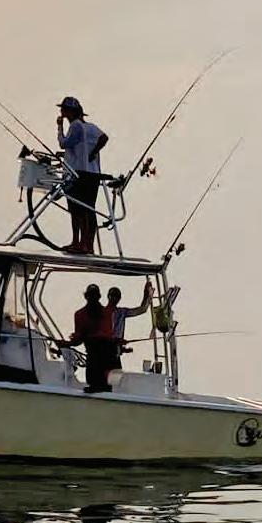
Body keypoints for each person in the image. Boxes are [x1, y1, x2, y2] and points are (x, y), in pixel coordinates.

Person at [56, 96, 108, 254]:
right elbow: (103, 138)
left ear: (69, 112)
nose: (62, 111)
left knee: (77, 209)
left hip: (78, 174)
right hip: (93, 174)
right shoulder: (91, 127)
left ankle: (79, 243)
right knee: (89, 209)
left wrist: (59, 127)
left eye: (64, 109)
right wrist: (94, 152)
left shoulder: (75, 126)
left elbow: (64, 143)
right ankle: (88, 245)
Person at [57, 283, 118, 393]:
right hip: (104, 356)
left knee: (100, 385)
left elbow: (79, 339)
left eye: (93, 296)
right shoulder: (105, 313)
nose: (93, 298)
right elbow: (80, 339)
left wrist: (66, 343)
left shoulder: (82, 314)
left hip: (101, 356)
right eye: (92, 295)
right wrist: (67, 343)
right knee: (106, 386)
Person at [106, 280, 154, 369]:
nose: (115, 298)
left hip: (114, 353)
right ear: (108, 296)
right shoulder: (101, 313)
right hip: (105, 354)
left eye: (117, 296)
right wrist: (117, 342)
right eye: (113, 296)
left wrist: (146, 294)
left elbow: (142, 309)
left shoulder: (121, 312)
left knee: (117, 375)